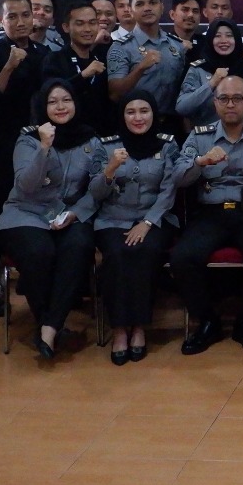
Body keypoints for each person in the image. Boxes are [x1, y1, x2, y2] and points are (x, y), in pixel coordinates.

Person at [170, 74, 243, 354]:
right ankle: (208, 322)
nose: (230, 104)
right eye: (224, 98)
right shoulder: (200, 136)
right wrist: (200, 162)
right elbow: (178, 179)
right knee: (182, 257)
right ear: (215, 102)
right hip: (211, 214)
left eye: (237, 98)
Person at [0, 80, 103, 360]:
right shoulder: (28, 139)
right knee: (39, 251)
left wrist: (74, 213)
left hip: (68, 213)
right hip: (26, 212)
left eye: (66, 100)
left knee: (80, 245)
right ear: (43, 107)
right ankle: (50, 323)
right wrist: (44, 147)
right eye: (52, 102)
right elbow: (26, 186)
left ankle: (49, 327)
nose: (60, 107)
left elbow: (95, 190)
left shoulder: (91, 140)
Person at [88, 93, 179, 366]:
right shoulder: (106, 146)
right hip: (113, 219)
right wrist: (110, 169)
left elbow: (169, 190)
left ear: (154, 114)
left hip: (156, 218)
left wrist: (147, 222)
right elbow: (95, 193)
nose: (138, 117)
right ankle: (119, 329)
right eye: (131, 112)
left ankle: (139, 327)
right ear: (122, 116)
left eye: (144, 111)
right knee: (117, 254)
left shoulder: (167, 145)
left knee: (145, 251)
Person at [0, 0, 49, 313]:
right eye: (12, 16)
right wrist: (8, 66)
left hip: (37, 144)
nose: (20, 22)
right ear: (0, 20)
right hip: (1, 147)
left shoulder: (43, 53)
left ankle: (36, 278)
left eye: (25, 15)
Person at [106, 0, 192, 131]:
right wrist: (140, 68)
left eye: (152, 3)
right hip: (137, 125)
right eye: (140, 4)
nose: (147, 8)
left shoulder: (176, 45)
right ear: (131, 10)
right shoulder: (121, 47)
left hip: (172, 125)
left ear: (162, 7)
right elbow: (115, 94)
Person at [42, 2, 114, 135]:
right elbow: (51, 97)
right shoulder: (54, 59)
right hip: (66, 136)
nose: (87, 29)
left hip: (99, 136)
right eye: (80, 24)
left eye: (92, 23)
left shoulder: (101, 60)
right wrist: (83, 75)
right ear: (66, 27)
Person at [176, 20, 243, 128]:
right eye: (217, 36)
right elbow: (182, 107)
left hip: (241, 134)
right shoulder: (198, 69)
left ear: (237, 39)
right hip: (205, 133)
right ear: (210, 39)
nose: (224, 41)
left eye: (229, 36)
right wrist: (211, 84)